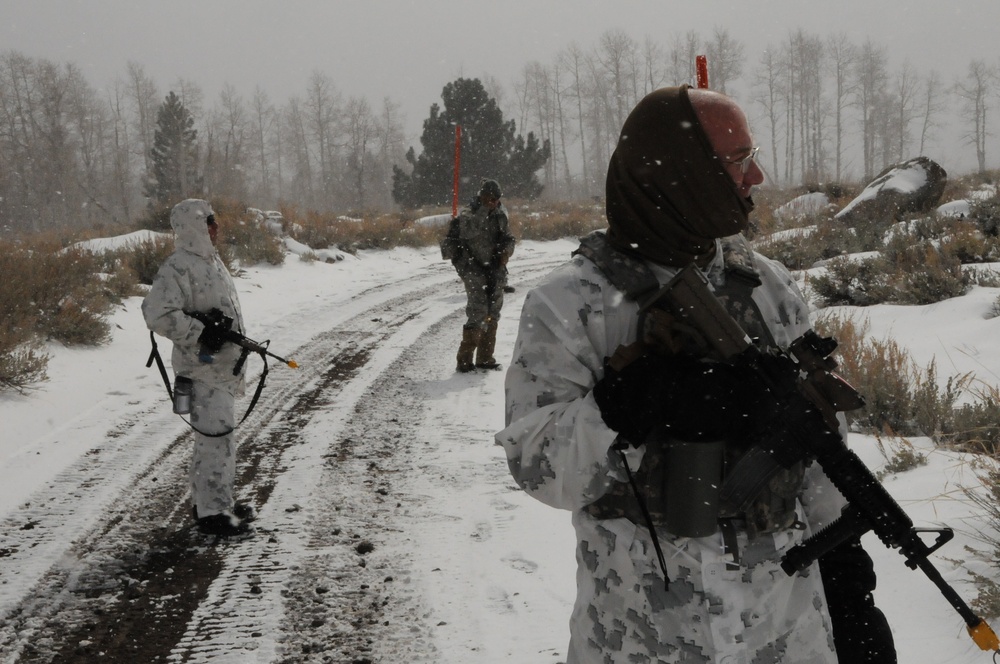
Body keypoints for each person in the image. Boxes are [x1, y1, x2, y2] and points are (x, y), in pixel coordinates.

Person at [496, 86, 896, 663]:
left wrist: (850, 589)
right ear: (679, 172)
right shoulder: (569, 304)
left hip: (782, 633)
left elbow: (818, 452)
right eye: (736, 161)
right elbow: (538, 470)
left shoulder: (767, 286)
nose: (756, 175)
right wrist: (624, 406)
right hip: (640, 636)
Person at [142, 199, 254, 538]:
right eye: (208, 222)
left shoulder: (212, 261)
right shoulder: (178, 266)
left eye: (214, 222)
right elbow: (157, 314)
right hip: (201, 371)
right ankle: (213, 513)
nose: (215, 228)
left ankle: (213, 502)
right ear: (193, 226)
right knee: (215, 440)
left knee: (216, 439)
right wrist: (202, 333)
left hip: (221, 369)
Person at [441, 178, 516, 372]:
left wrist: (506, 251)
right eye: (489, 198)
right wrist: (484, 210)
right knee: (478, 311)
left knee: (493, 313)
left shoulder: (500, 215)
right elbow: (468, 232)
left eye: (496, 199)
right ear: (481, 197)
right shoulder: (469, 213)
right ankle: (465, 361)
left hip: (494, 269)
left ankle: (485, 358)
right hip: (472, 268)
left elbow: (509, 237)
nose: (493, 202)